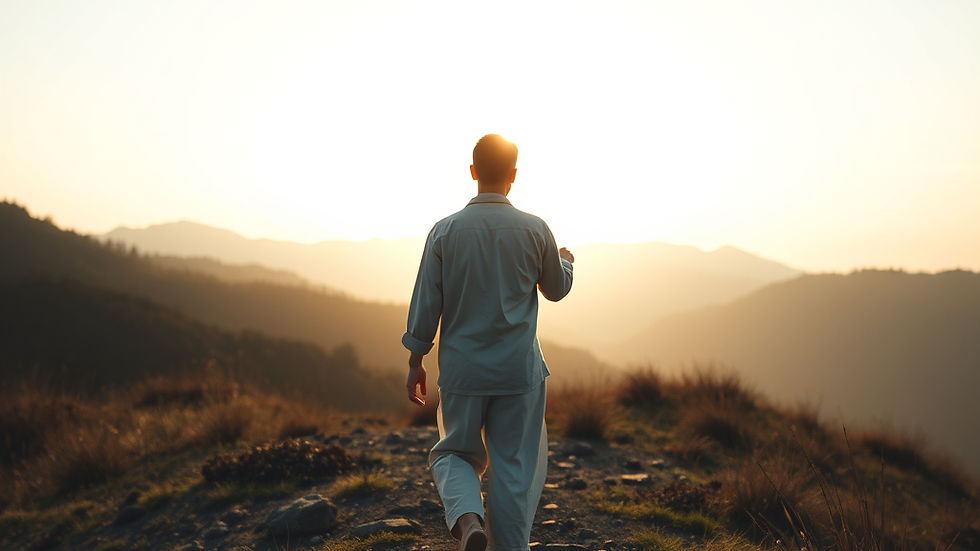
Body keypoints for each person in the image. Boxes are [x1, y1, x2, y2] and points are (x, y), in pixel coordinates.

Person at [402, 134, 574, 551]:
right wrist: (566, 263)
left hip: (463, 372)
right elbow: (555, 289)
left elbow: (426, 302)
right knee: (514, 469)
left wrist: (416, 360)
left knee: (454, 454)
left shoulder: (444, 231)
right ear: (513, 175)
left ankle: (468, 525)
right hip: (518, 372)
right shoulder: (536, 229)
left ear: (473, 171)